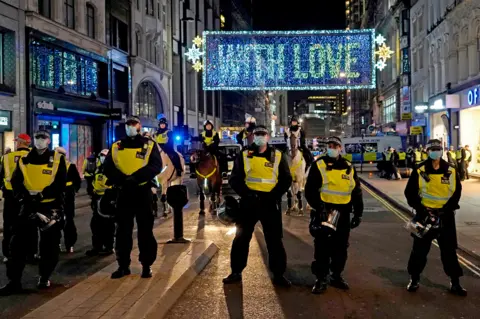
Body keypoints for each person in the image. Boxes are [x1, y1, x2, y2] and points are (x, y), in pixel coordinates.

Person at [224, 125, 292, 287]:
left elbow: (286, 179)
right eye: (257, 134)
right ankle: (236, 272)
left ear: (268, 137)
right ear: (253, 137)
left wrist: (274, 195)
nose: (260, 137)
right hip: (249, 203)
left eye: (263, 134)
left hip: (270, 203)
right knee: (241, 238)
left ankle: (278, 274)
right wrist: (247, 194)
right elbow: (235, 179)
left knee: (274, 240)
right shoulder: (244, 155)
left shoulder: (277, 155)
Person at [0, 130, 67, 295]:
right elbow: (16, 181)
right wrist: (24, 198)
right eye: (37, 138)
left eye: (43, 138)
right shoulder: (24, 159)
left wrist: (42, 196)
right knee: (17, 245)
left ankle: (44, 277)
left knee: (49, 246)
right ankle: (14, 281)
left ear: (49, 141)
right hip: (29, 206)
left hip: (50, 207)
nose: (40, 141)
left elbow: (60, 184)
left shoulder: (58, 159)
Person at [404, 139, 466, 296]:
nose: (435, 151)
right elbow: (410, 193)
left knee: (449, 251)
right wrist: (423, 210)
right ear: (427, 151)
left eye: (438, 148)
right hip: (424, 216)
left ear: (442, 150)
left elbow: (456, 193)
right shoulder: (419, 170)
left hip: (445, 217)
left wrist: (446, 209)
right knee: (419, 251)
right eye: (432, 149)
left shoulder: (451, 170)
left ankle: (455, 282)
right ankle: (414, 279)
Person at [103, 116, 162, 279]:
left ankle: (146, 265)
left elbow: (156, 166)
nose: (130, 127)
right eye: (128, 125)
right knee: (122, 231)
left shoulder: (150, 144)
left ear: (139, 127)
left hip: (142, 191)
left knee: (145, 231)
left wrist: (136, 178)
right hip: (123, 192)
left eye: (133, 124)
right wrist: (121, 179)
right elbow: (107, 167)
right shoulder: (116, 146)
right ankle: (123, 265)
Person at [305, 136, 363, 294]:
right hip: (324, 211)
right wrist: (319, 207)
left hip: (343, 213)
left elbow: (356, 191)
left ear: (340, 148)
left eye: (335, 145)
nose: (332, 148)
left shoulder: (349, 167)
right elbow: (309, 190)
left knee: (341, 247)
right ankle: (321, 278)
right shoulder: (319, 164)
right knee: (322, 247)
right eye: (330, 145)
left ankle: (336, 275)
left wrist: (358, 213)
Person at [0, 134, 31, 263]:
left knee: (9, 226)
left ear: (19, 143)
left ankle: (8, 254)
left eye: (16, 141)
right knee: (28, 226)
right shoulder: (35, 157)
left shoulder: (6, 158)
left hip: (10, 197)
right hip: (29, 197)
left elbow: (0, 176)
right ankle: (30, 253)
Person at [86, 149, 115, 256]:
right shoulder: (98, 169)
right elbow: (94, 181)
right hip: (97, 198)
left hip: (107, 200)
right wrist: (91, 190)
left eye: (104, 156)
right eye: (101, 155)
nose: (102, 157)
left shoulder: (113, 169)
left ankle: (109, 246)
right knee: (95, 225)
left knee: (108, 225)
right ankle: (97, 247)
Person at [55, 147, 81, 253]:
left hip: (67, 195)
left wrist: (73, 190)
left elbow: (77, 181)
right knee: (55, 222)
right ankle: (57, 244)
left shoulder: (70, 166)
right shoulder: (53, 166)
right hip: (57, 196)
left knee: (68, 220)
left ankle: (69, 244)